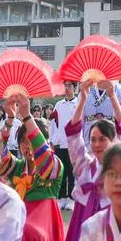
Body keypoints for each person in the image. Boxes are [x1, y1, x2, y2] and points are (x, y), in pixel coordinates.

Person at [59, 78, 121, 241]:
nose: (97, 144)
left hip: (111, 220)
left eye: (103, 139)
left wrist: (111, 97)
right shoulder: (83, 164)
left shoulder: (120, 165)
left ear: (113, 141)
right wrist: (83, 98)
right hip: (83, 217)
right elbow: (72, 133)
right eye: (94, 139)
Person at [0, 97, 64, 241]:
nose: (28, 146)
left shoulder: (53, 165)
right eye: (23, 141)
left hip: (43, 221)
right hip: (22, 216)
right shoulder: (17, 167)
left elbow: (44, 159)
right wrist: (9, 119)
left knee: (24, 231)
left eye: (32, 141)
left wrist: (26, 116)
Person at [49, 80, 78, 209]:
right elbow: (53, 124)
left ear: (75, 88)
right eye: (65, 86)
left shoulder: (78, 104)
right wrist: (52, 141)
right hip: (60, 144)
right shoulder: (58, 105)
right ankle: (61, 197)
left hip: (73, 144)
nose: (67, 88)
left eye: (69, 86)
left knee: (72, 173)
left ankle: (71, 199)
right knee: (61, 172)